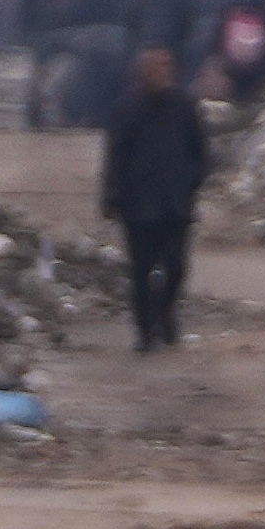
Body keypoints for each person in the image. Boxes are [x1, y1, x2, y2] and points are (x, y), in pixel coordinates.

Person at [102, 38, 211, 350]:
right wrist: (111, 197)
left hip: (175, 204)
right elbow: (115, 159)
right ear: (142, 73)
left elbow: (199, 152)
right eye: (155, 67)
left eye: (166, 67)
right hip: (138, 207)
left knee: (176, 265)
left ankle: (165, 311)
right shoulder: (126, 111)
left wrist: (192, 181)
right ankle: (145, 330)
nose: (162, 73)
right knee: (141, 270)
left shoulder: (185, 109)